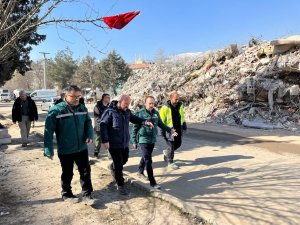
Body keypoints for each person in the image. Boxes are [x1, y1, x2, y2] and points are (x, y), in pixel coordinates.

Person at [43, 85, 95, 205]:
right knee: (67, 172)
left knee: (85, 171)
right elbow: (48, 131)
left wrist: (89, 135)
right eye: (74, 97)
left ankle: (87, 194)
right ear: (66, 96)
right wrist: (48, 149)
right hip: (66, 149)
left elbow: (88, 122)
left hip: (81, 147)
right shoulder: (56, 110)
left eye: (78, 96)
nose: (77, 99)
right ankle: (66, 193)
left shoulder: (82, 108)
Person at [100, 95, 154, 195]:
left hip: (124, 143)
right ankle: (120, 185)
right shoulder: (110, 111)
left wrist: (145, 122)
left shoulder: (127, 112)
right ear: (119, 102)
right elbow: (103, 125)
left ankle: (112, 167)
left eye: (128, 104)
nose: (127, 106)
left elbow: (135, 119)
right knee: (119, 165)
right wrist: (105, 140)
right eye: (125, 104)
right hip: (114, 143)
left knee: (124, 160)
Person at [131, 96, 178, 189]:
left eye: (153, 103)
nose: (152, 105)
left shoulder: (156, 113)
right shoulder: (140, 114)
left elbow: (161, 124)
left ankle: (140, 172)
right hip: (143, 140)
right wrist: (134, 141)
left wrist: (170, 130)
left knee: (145, 157)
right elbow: (134, 129)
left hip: (152, 140)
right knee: (148, 160)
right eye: (150, 103)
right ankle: (153, 182)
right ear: (145, 103)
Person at [159, 91, 187, 169]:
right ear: (171, 98)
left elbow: (182, 116)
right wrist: (162, 131)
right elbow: (161, 121)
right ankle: (170, 162)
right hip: (169, 130)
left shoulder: (180, 105)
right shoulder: (165, 108)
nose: (177, 101)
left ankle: (167, 152)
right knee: (171, 146)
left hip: (178, 128)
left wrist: (184, 124)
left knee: (178, 144)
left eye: (178, 99)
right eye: (175, 99)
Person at [93, 93, 110, 158]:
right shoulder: (97, 106)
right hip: (99, 127)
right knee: (98, 141)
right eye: (106, 97)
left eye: (109, 97)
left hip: (108, 127)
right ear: (103, 98)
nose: (108, 99)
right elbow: (98, 118)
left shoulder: (109, 106)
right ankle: (96, 153)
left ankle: (110, 155)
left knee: (109, 140)